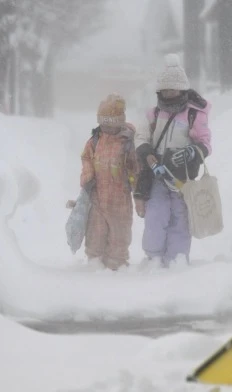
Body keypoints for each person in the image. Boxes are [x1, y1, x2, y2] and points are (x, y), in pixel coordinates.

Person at [134, 54, 212, 267]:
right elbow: (141, 137)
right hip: (157, 171)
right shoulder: (154, 113)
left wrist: (193, 152)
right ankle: (154, 256)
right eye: (165, 90)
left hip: (183, 175)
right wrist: (150, 157)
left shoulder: (194, 115)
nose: (169, 94)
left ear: (182, 90)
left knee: (180, 217)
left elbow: (205, 142)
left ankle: (177, 258)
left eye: (173, 90)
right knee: (156, 214)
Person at [80, 94, 140, 271]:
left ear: (119, 122)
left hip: (120, 200)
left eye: (110, 123)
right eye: (103, 122)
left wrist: (137, 186)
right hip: (97, 197)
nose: (106, 127)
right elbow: (86, 158)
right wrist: (88, 176)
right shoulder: (95, 140)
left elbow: (135, 167)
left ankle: (117, 264)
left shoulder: (127, 142)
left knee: (119, 234)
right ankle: (94, 262)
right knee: (95, 233)